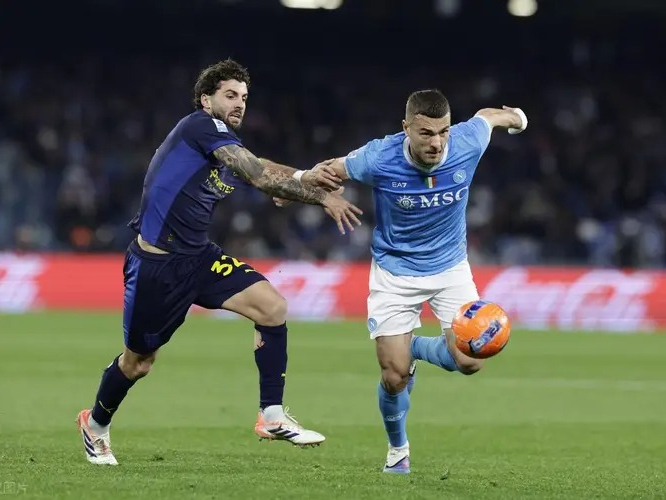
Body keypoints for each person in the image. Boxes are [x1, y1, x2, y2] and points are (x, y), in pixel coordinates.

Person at [76, 58, 363, 465]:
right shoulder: (200, 127)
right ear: (205, 100)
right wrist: (320, 197)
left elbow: (261, 167)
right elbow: (259, 176)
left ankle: (271, 415)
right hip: (157, 266)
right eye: (230, 95)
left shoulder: (223, 143)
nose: (240, 103)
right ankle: (95, 425)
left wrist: (302, 176)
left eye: (244, 97)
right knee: (137, 363)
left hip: (199, 258)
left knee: (272, 307)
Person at [279, 89, 527, 473]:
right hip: (395, 273)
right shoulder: (379, 157)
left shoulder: (467, 142)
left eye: (443, 132)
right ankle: (398, 450)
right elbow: (329, 170)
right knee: (394, 377)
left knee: (469, 360)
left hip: (450, 270)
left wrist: (518, 118)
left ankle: (412, 347)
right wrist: (293, 189)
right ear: (406, 128)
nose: (437, 142)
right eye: (426, 133)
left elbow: (489, 117)